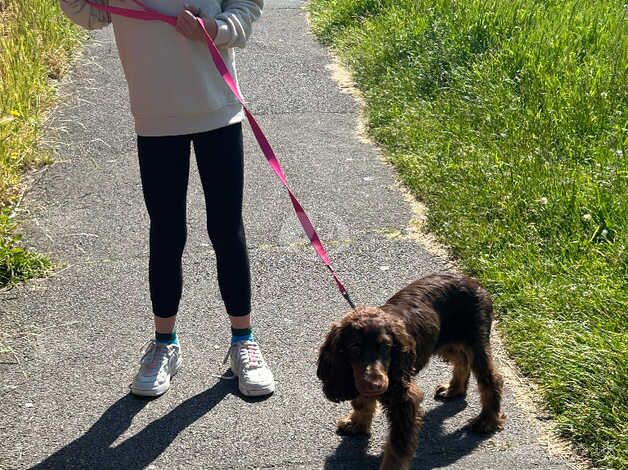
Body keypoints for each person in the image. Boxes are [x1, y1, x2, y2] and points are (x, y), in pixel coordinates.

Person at [59, 0, 275, 397]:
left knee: (227, 230)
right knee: (166, 232)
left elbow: (246, 6)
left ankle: (243, 341)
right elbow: (88, 13)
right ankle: (164, 344)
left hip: (218, 111)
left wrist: (217, 28)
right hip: (155, 118)